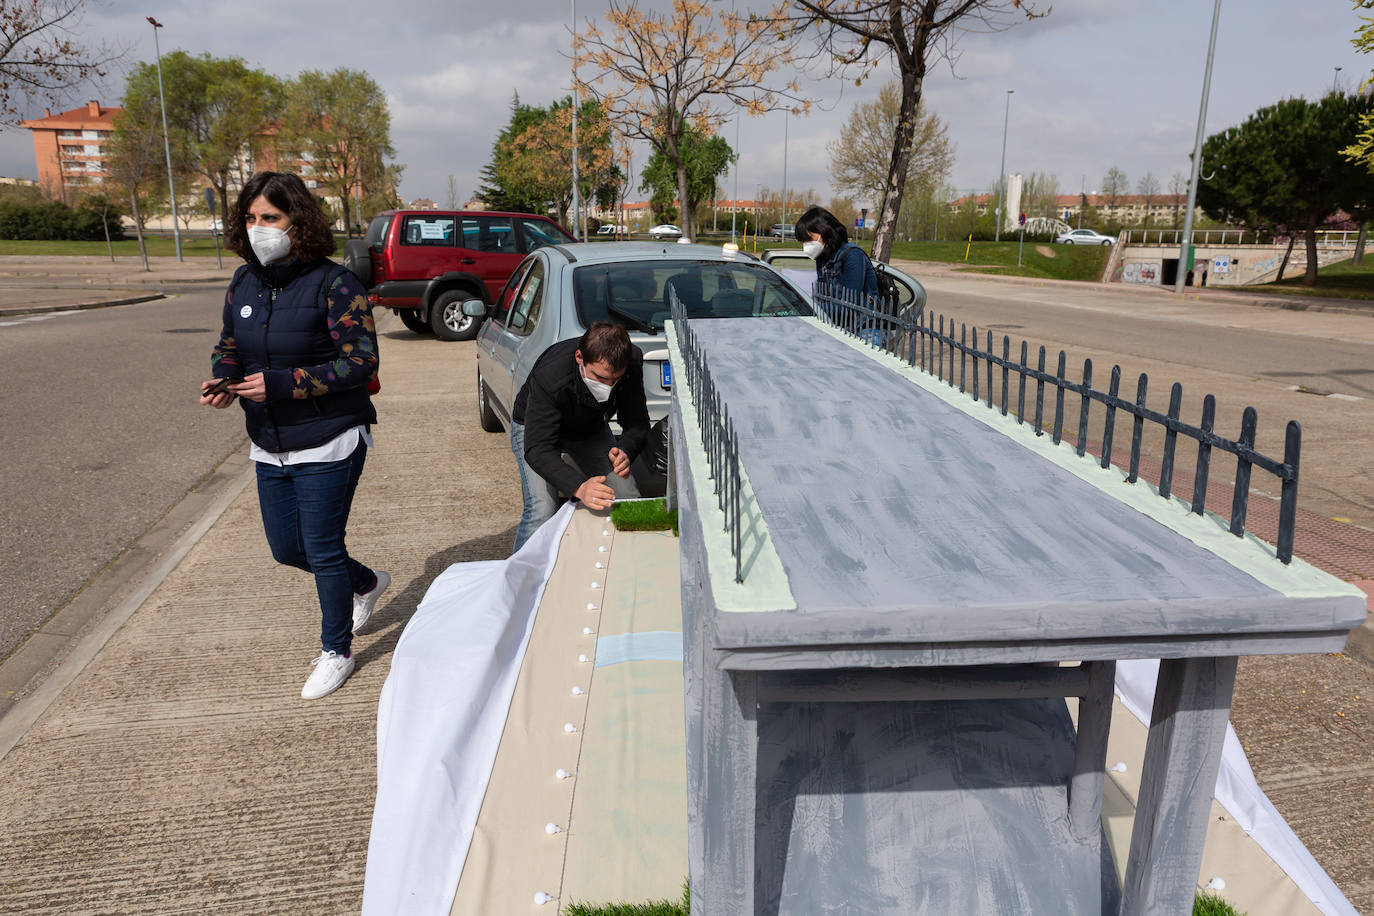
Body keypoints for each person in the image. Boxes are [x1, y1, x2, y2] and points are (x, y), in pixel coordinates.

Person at [199, 170, 388, 701]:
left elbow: (360, 363)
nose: (259, 228)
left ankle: (337, 650)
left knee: (323, 548)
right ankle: (367, 582)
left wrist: (283, 384)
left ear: (297, 221)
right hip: (269, 438)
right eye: (252, 218)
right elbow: (228, 345)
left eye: (271, 218)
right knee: (287, 549)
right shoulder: (243, 281)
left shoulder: (335, 283)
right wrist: (226, 380)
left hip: (330, 435)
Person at [509, 322, 649, 552]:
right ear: (579, 357)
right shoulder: (550, 374)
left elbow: (637, 422)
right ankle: (519, 579)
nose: (608, 386)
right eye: (600, 378)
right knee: (542, 508)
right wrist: (579, 487)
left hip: (589, 428)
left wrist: (626, 450)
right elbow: (537, 448)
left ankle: (631, 560)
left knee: (625, 495)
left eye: (615, 380)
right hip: (535, 428)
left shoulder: (631, 361)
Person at [795, 204, 878, 299]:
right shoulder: (823, 257)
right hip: (828, 313)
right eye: (803, 240)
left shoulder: (853, 255)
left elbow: (849, 303)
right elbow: (822, 295)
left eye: (809, 239)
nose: (806, 244)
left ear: (824, 231)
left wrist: (814, 308)